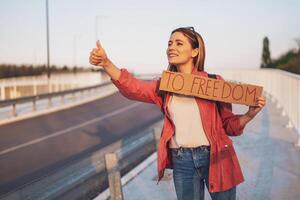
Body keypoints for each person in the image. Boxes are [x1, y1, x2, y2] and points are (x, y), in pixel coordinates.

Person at [89, 27, 266, 200]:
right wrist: (106, 63)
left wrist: (249, 115)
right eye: (170, 43)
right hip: (182, 160)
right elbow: (133, 87)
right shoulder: (165, 86)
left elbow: (229, 126)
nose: (171, 47)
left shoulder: (214, 83)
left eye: (179, 43)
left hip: (216, 156)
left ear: (195, 52)